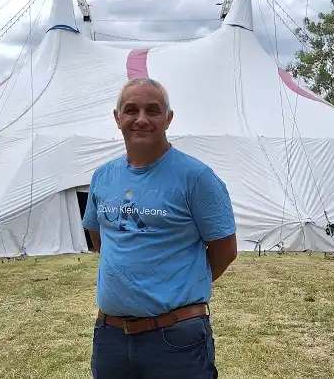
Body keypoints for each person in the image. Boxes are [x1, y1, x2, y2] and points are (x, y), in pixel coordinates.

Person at [82, 77, 238, 379]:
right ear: (117, 118)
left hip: (176, 336)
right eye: (131, 110)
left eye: (152, 111)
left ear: (168, 119)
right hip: (110, 336)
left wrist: (178, 285)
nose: (141, 119)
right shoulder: (102, 176)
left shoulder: (196, 177)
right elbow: (100, 239)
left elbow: (225, 250)